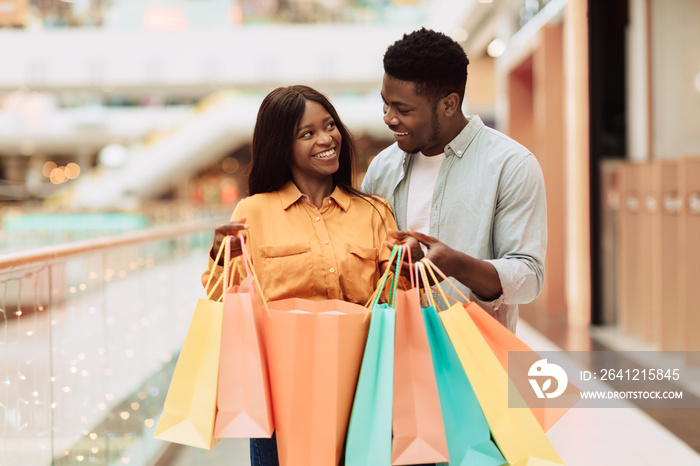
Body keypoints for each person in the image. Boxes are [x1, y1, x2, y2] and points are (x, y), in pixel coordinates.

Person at [202, 85, 397, 465]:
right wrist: (220, 255)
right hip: (280, 394)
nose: (327, 139)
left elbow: (394, 298)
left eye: (329, 126)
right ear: (281, 145)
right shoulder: (253, 211)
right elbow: (220, 299)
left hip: (361, 387)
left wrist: (407, 266)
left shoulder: (374, 212)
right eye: (307, 134)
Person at [363, 28, 547, 333]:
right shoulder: (382, 168)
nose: (389, 118)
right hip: (396, 352)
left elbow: (529, 278)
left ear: (449, 104)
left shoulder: (511, 165)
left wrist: (457, 266)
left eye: (403, 109)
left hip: (476, 360)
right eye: (386, 104)